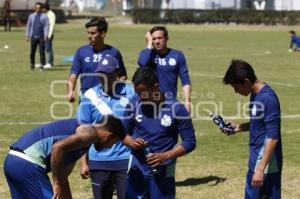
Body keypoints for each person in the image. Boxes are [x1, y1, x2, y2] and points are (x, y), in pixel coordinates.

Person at [3, 116, 125, 199]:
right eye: (113, 144)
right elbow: (57, 148)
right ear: (109, 136)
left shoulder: (81, 145)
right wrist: (55, 183)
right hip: (27, 163)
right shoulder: (90, 133)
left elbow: (63, 178)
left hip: (12, 161)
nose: (109, 147)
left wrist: (59, 183)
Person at [122, 67, 196, 199]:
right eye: (137, 93)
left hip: (163, 174)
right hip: (137, 171)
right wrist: (131, 142)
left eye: (143, 93)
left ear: (155, 87)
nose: (140, 97)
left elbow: (190, 142)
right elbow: (121, 134)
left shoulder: (177, 109)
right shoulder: (133, 106)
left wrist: (165, 156)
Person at [222, 59, 282, 199]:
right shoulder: (255, 95)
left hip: (266, 167)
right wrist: (238, 127)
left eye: (236, 87)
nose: (236, 91)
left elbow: (273, 137)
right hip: (255, 162)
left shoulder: (268, 98)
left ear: (246, 82)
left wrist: (261, 169)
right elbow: (258, 123)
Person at [77, 56, 136, 199]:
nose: (103, 78)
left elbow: (138, 125)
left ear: (116, 74)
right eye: (100, 74)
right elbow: (82, 133)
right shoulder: (89, 96)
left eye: (107, 74)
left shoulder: (130, 93)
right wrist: (84, 163)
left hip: (125, 160)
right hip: (98, 161)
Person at [67, 17, 127, 103]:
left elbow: (123, 75)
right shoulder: (81, 52)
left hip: (108, 100)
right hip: (87, 98)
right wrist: (70, 92)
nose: (89, 36)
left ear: (103, 34)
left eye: (93, 33)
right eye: (88, 33)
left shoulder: (114, 52)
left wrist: (114, 88)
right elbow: (73, 76)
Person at [137, 26, 192, 112]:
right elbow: (142, 64)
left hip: (170, 102)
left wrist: (187, 102)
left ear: (166, 38)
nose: (157, 41)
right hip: (151, 102)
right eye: (154, 39)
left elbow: (185, 80)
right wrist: (149, 43)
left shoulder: (177, 55)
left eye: (160, 38)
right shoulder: (148, 54)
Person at [25, 2, 49, 70]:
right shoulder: (31, 16)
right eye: (36, 8)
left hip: (41, 37)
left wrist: (46, 35)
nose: (38, 9)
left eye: (39, 8)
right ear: (35, 8)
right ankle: (32, 64)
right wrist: (27, 35)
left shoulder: (44, 16)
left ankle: (42, 65)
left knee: (42, 52)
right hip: (33, 37)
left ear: (41, 9)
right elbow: (28, 26)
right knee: (32, 51)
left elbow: (46, 26)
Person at [43, 3, 56, 68]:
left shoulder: (51, 14)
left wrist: (49, 35)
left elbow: (52, 25)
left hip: (49, 34)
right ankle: (46, 62)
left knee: (49, 49)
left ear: (45, 8)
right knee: (46, 48)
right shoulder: (46, 14)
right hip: (45, 34)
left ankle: (50, 62)